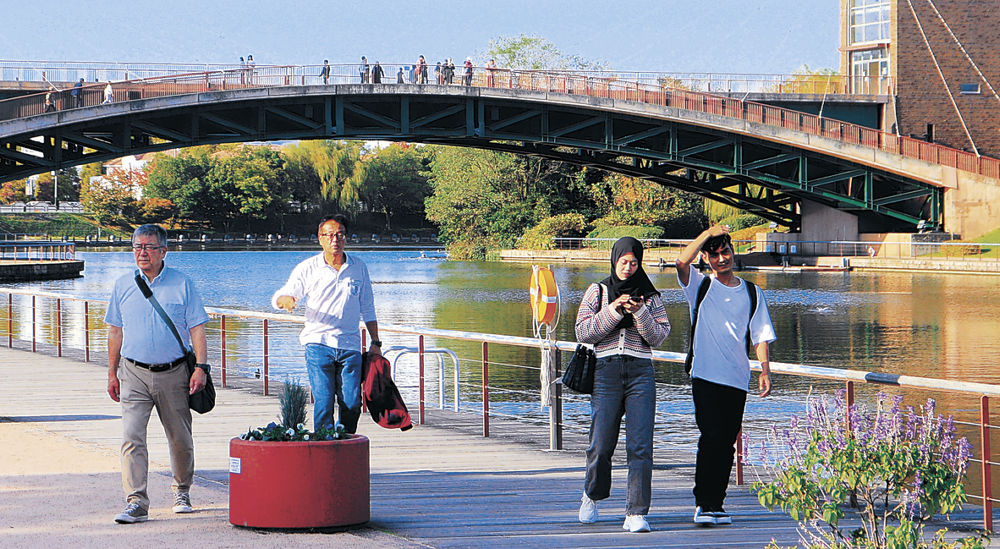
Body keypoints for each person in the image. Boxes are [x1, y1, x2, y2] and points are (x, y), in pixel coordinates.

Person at [105, 224, 211, 524]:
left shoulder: (182, 283)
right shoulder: (123, 284)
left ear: (164, 251)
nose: (142, 252)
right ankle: (136, 501)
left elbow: (197, 328)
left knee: (180, 437)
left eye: (149, 247)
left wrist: (201, 368)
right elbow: (115, 331)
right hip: (132, 371)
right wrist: (111, 372)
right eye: (137, 246)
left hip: (174, 372)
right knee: (131, 436)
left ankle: (182, 489)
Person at [675, 225, 776, 526]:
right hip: (705, 374)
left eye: (726, 252)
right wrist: (707, 234)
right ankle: (703, 503)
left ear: (733, 253)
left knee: (727, 442)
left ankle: (716, 503)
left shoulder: (751, 292)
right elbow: (681, 262)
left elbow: (760, 336)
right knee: (711, 437)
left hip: (736, 377)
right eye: (715, 255)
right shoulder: (700, 287)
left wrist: (765, 370)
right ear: (706, 258)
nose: (722, 259)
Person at [575, 237, 670, 533]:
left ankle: (637, 511)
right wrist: (615, 309)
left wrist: (639, 312)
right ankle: (592, 494)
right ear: (614, 261)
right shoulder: (598, 290)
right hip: (606, 371)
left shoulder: (651, 296)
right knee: (601, 443)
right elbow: (583, 331)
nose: (628, 269)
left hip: (641, 372)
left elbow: (659, 336)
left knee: (640, 445)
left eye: (634, 263)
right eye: (623, 262)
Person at [272, 214, 382, 434]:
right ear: (320, 239)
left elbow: (367, 307)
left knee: (352, 403)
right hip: (318, 343)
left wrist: (375, 341)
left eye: (340, 235)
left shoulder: (358, 267)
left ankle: (345, 442)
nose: (335, 240)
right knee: (323, 402)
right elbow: (286, 293)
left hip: (350, 344)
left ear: (346, 238)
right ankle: (325, 448)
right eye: (329, 235)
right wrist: (285, 300)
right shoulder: (308, 268)